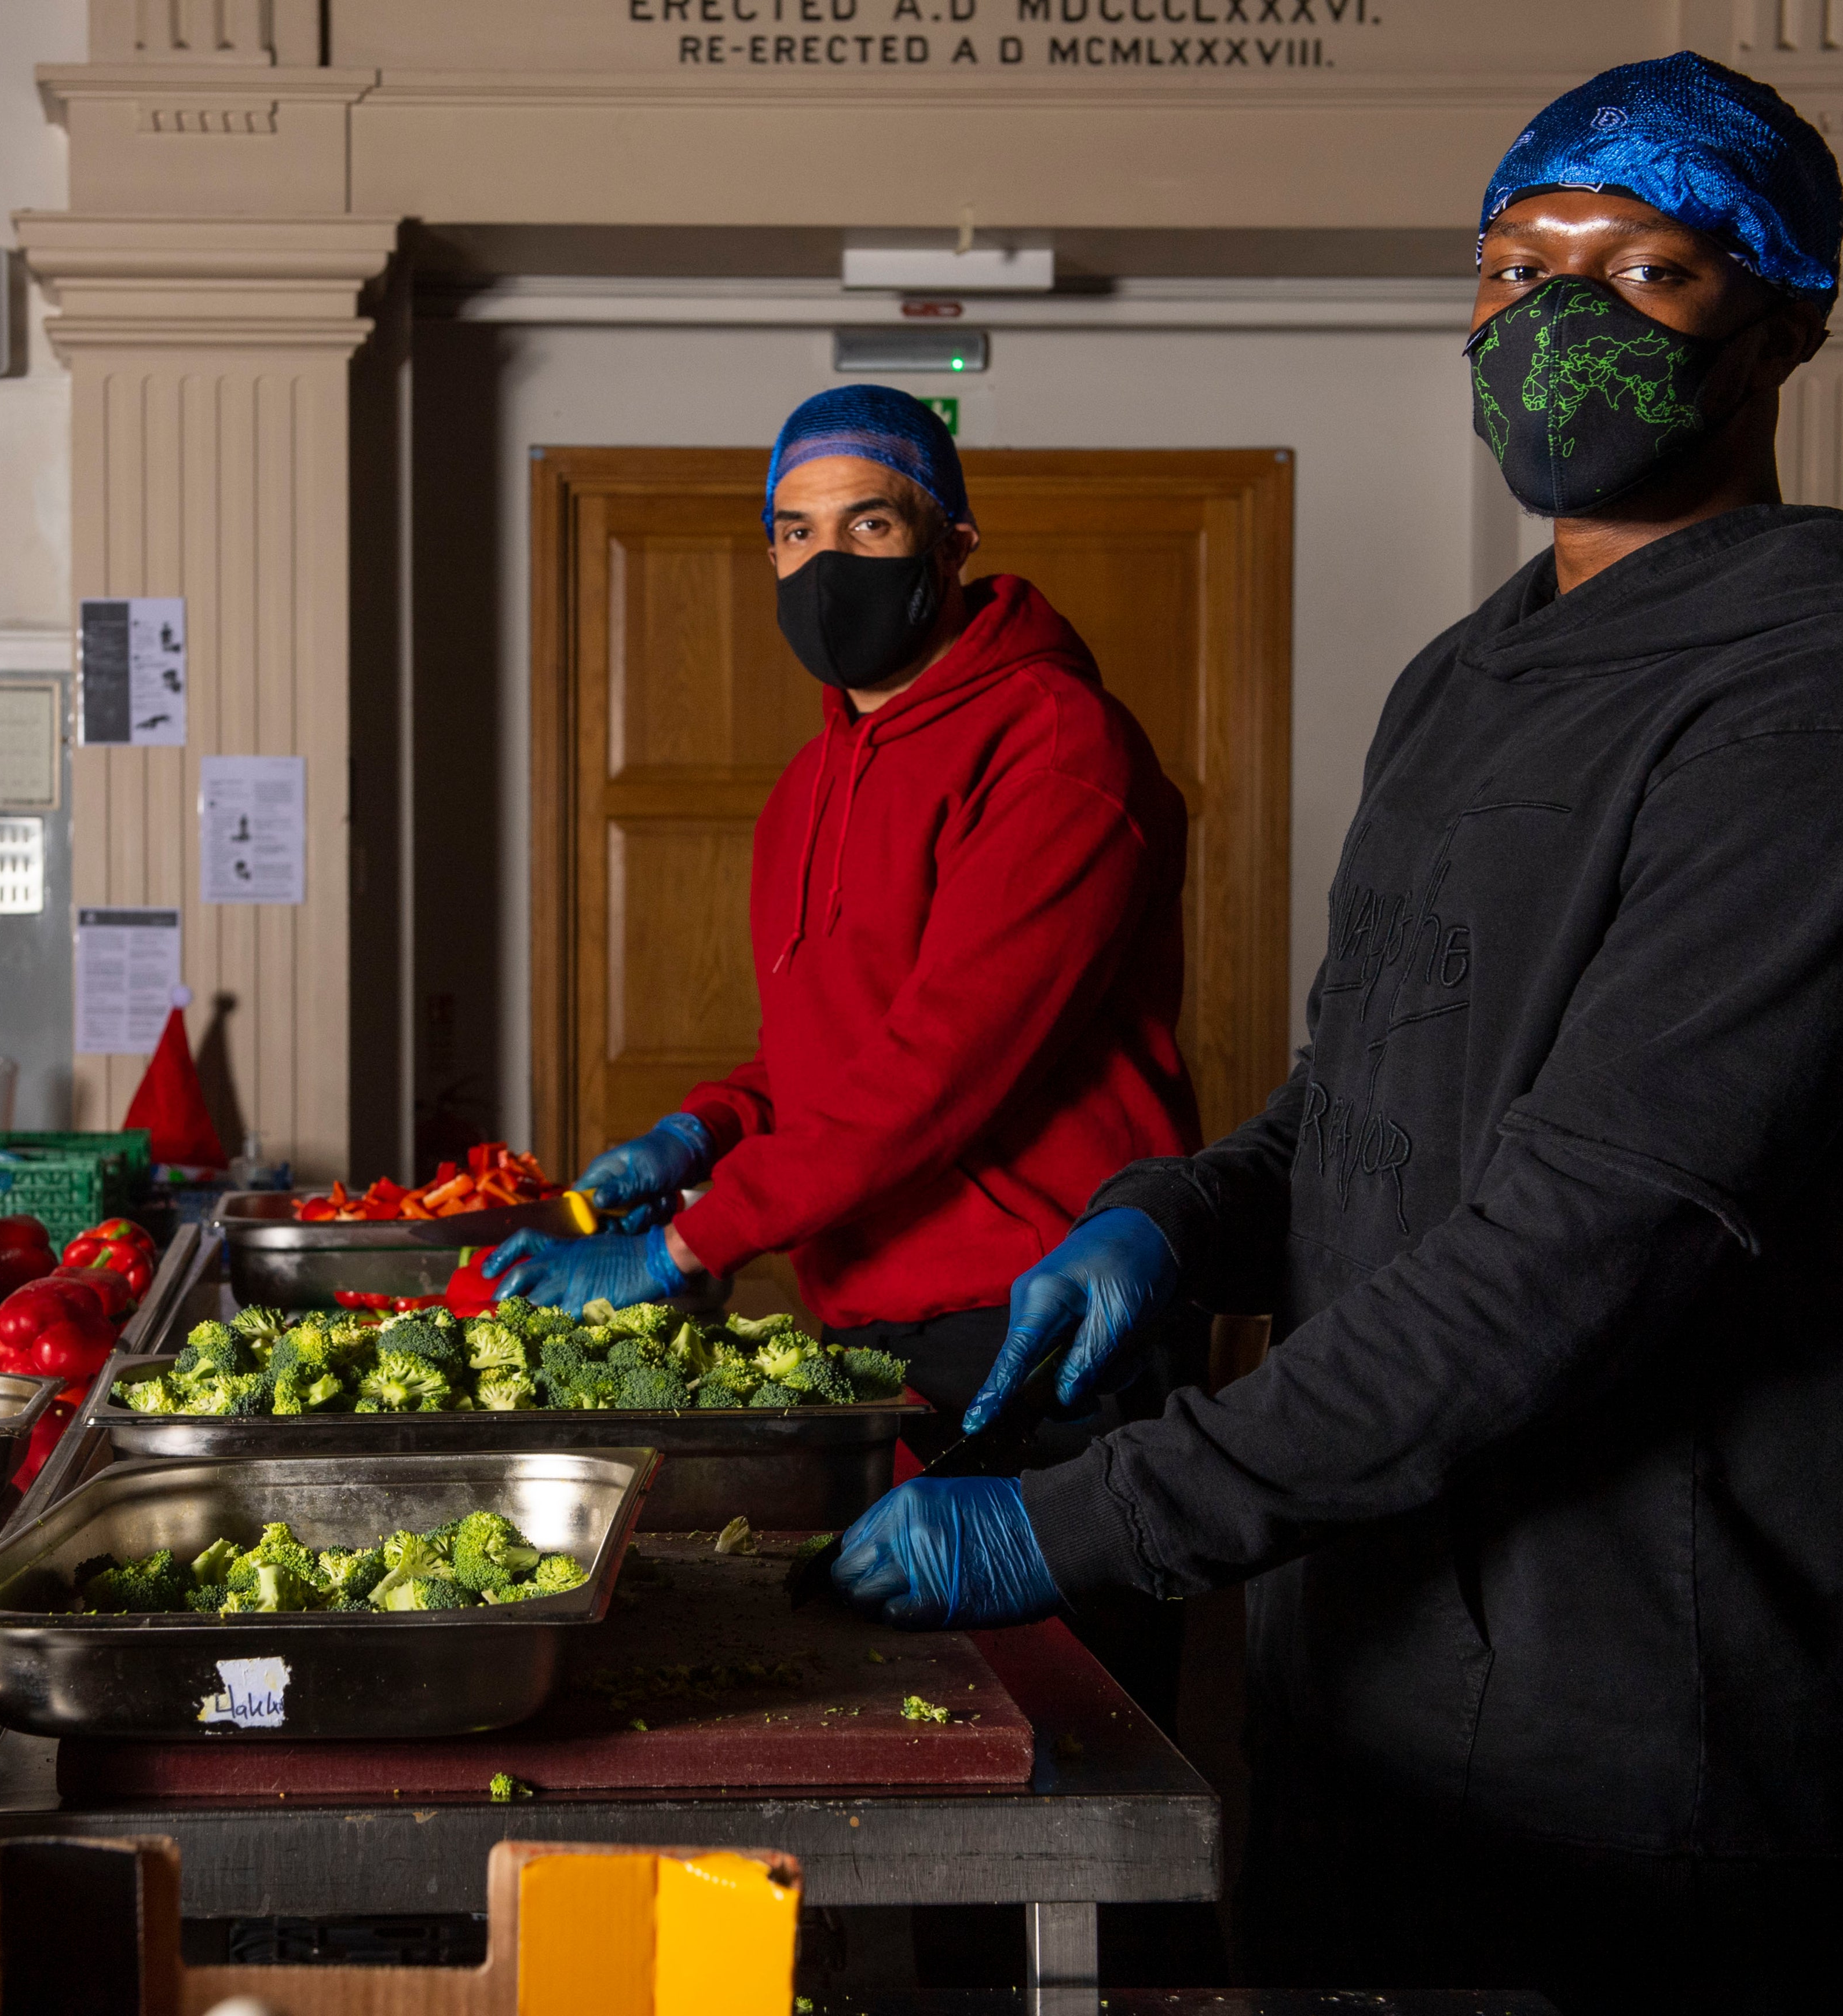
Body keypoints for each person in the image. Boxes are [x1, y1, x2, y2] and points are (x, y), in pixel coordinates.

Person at [826, 55, 1843, 2015]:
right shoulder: (1456, 681)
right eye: (1511, 264)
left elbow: (1589, 1233)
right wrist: (1169, 1217)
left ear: (1785, 318)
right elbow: (1359, 1100)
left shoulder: (1797, 692)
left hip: (1640, 1739)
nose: (1554, 314)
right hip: (1351, 1673)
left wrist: (1084, 1520)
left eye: (1644, 271)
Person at [488, 386, 1202, 1711]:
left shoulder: (1055, 746)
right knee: (932, 1745)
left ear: (951, 543)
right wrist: (701, 1132)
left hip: (1044, 1332)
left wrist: (689, 1244)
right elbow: (827, 1054)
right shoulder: (807, 788)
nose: (824, 567)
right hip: (879, 1335)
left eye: (866, 524)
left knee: (1079, 1767)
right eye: (792, 533)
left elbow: (939, 1065)